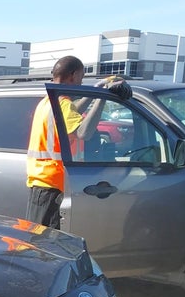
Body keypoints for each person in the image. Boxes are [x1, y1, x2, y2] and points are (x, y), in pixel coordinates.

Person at [26, 55, 126, 229]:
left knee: (39, 241)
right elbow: (84, 132)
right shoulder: (62, 104)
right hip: (53, 186)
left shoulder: (47, 102)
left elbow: (71, 114)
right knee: (47, 246)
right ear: (72, 75)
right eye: (81, 77)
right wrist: (102, 97)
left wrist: (95, 90)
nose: (81, 83)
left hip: (43, 185)